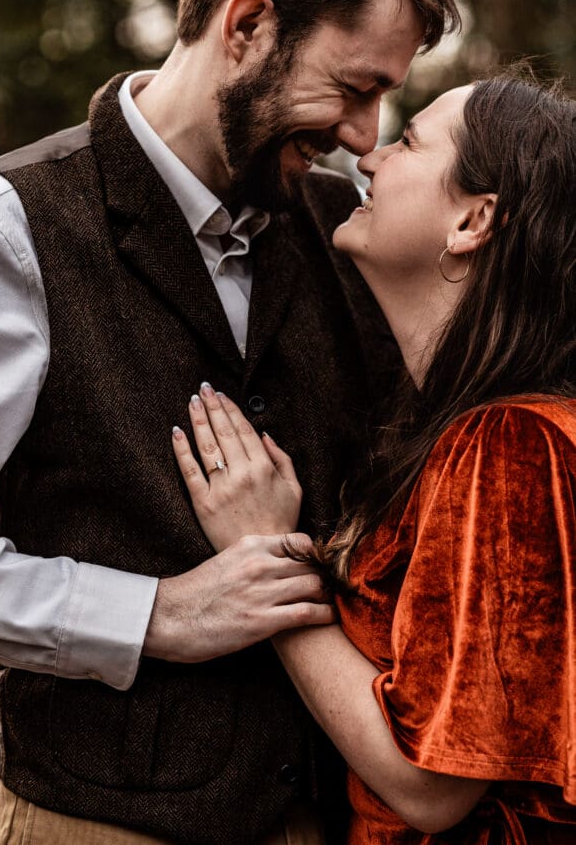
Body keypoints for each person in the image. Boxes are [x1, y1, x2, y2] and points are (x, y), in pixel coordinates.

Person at [0, 0, 459, 845]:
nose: (369, 137)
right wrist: (150, 614)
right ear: (246, 25)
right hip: (96, 824)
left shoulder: (349, 227)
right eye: (355, 86)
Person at [173, 73, 576, 844]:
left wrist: (263, 558)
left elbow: (429, 781)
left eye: (411, 141)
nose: (368, 156)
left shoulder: (509, 445)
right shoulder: (471, 426)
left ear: (472, 219)